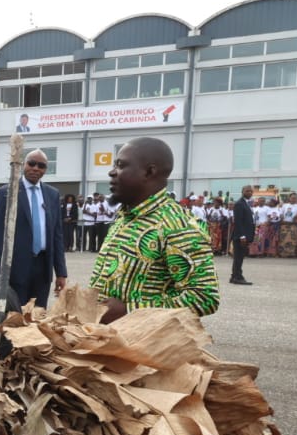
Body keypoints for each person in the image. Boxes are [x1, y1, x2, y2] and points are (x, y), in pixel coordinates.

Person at [88, 138, 218, 324]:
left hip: (142, 346)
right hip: (104, 339)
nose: (112, 172)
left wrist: (129, 311)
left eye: (121, 165)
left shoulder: (178, 224)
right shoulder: (125, 216)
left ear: (149, 171)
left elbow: (205, 297)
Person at [0, 149, 67, 308]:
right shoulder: (7, 192)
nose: (36, 168)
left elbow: (57, 235)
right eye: (31, 163)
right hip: (16, 268)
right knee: (15, 316)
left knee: (38, 316)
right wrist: (0, 273)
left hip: (43, 267)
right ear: (24, 164)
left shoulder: (52, 194)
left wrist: (61, 272)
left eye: (41, 165)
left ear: (46, 169)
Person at [230, 185, 255, 285]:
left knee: (239, 257)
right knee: (238, 257)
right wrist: (242, 236)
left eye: (251, 191)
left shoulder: (246, 203)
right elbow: (238, 221)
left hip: (245, 235)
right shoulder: (239, 204)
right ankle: (238, 277)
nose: (249, 193)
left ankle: (234, 276)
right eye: (247, 191)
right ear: (242, 191)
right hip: (240, 236)